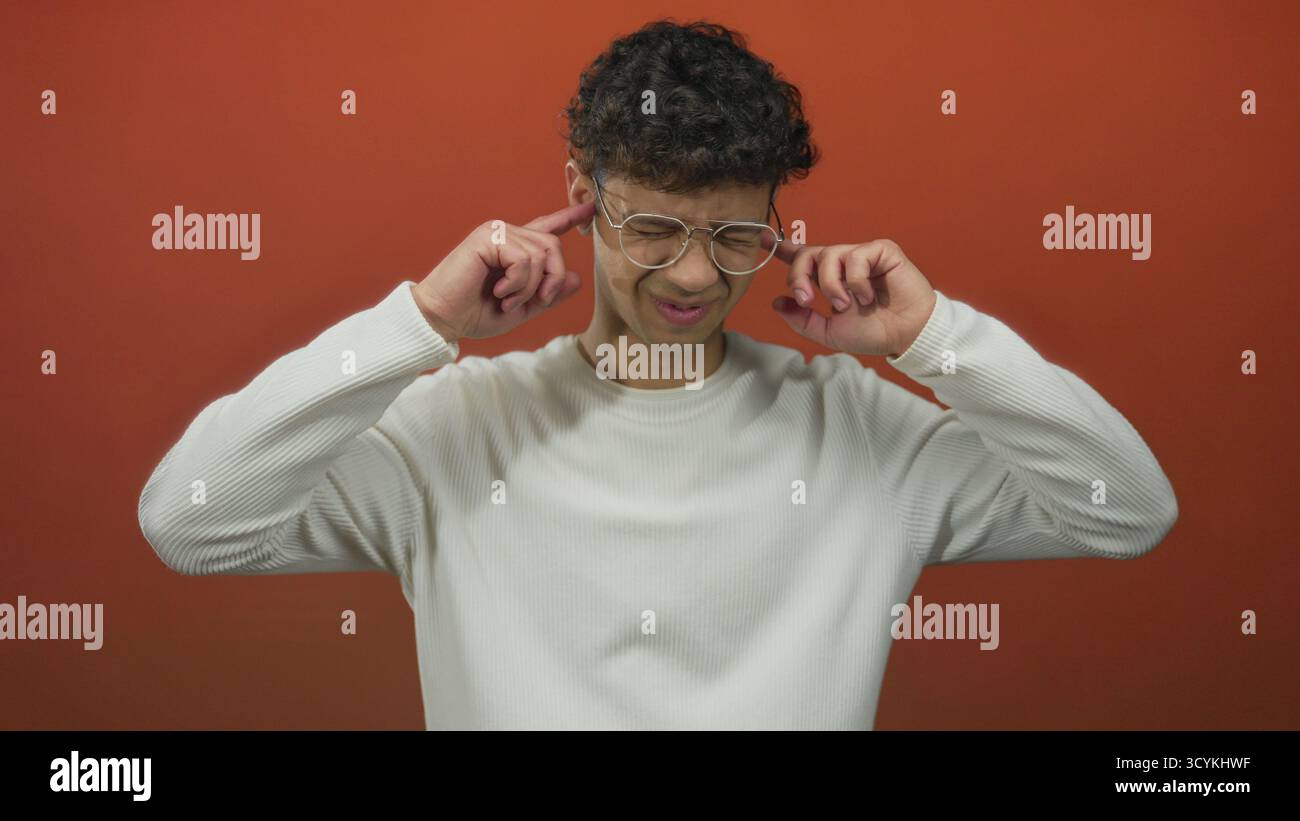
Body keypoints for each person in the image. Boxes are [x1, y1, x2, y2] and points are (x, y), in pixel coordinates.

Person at [137, 20, 1178, 729]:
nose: (691, 272)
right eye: (649, 227)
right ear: (580, 194)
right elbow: (190, 521)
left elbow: (1127, 510)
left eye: (733, 233)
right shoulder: (458, 425)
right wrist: (422, 322)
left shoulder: (856, 428)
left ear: (775, 217)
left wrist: (935, 338)